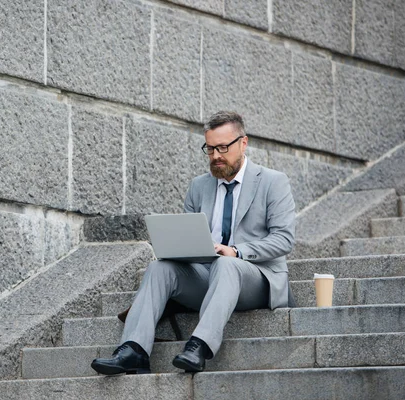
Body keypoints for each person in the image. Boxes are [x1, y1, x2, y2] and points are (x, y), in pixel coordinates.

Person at [91, 111, 296, 374]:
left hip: (258, 278)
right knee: (159, 268)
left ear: (243, 143)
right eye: (209, 149)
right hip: (209, 275)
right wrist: (179, 250)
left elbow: (283, 239)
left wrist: (235, 251)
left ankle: (199, 345)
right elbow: (190, 237)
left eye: (223, 147)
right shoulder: (199, 186)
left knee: (226, 265)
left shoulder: (272, 182)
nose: (216, 156)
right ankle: (134, 351)